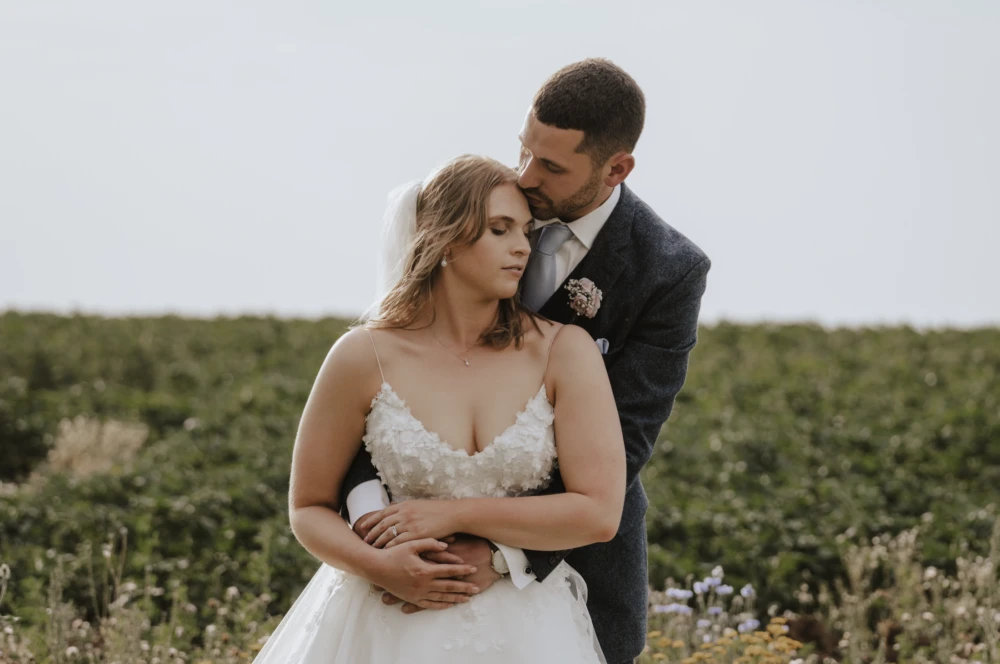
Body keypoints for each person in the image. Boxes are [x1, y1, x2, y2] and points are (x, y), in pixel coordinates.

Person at [345, 58, 711, 664]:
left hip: (567, 573)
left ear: (616, 168)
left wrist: (497, 552)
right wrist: (377, 530)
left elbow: (624, 441)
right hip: (406, 560)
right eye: (523, 151)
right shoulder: (485, 206)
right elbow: (389, 396)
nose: (525, 175)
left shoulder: (667, 271)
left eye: (552, 166)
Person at [252, 154, 625, 663]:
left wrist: (451, 514)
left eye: (525, 230)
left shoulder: (564, 351)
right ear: (445, 239)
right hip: (382, 625)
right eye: (499, 229)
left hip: (528, 630)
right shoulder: (363, 355)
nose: (522, 247)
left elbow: (597, 513)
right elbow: (308, 507)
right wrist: (376, 566)